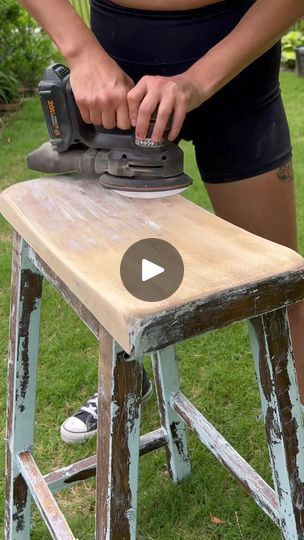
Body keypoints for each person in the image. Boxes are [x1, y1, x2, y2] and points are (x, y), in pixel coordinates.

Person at [20, 0, 304, 443]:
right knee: (125, 286)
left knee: (282, 288)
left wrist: (195, 82)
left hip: (239, 75)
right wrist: (81, 52)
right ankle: (127, 374)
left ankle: (300, 428)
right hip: (119, 85)